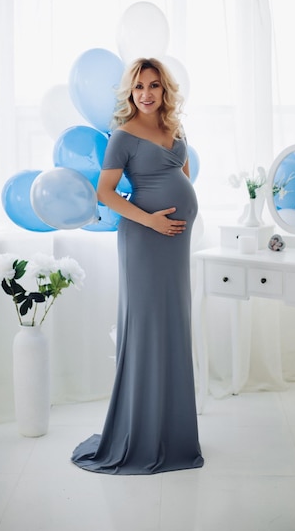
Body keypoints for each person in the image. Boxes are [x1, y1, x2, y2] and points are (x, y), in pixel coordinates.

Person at [71, 58, 204, 475]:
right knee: (146, 327)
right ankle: (140, 435)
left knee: (173, 325)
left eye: (154, 86)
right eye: (138, 87)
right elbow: (105, 193)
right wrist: (151, 219)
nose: (146, 93)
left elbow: (181, 176)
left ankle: (172, 432)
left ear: (165, 90)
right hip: (143, 240)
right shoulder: (122, 136)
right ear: (130, 93)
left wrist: (178, 214)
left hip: (173, 243)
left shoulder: (175, 130)